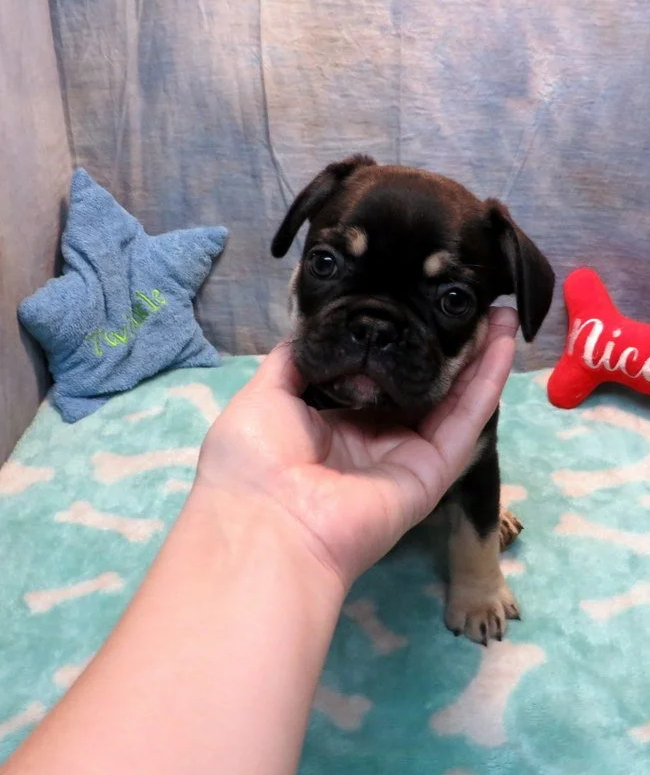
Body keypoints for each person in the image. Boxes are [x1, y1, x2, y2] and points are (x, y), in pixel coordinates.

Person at [1, 307, 519, 775]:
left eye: (449, 300)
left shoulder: (457, 409)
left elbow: (477, 470)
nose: (372, 330)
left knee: (469, 466)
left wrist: (478, 580)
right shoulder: (293, 403)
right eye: (327, 264)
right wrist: (268, 511)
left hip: (441, 478)